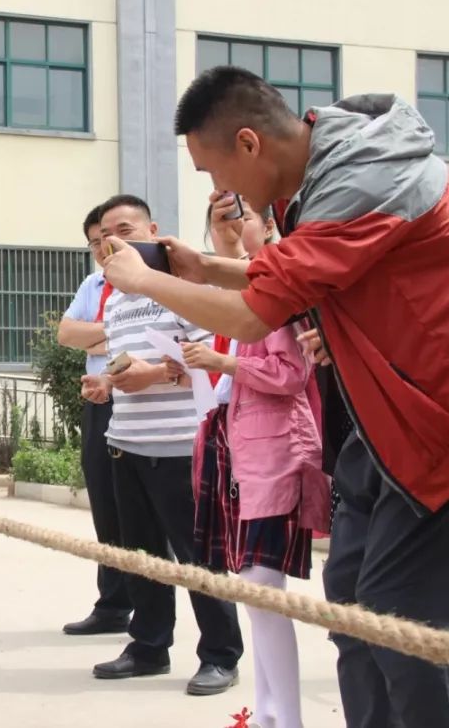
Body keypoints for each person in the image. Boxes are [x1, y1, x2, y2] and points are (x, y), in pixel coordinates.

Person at [100, 66, 449, 728]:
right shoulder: (325, 181)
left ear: (248, 143)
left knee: (395, 618)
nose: (219, 192)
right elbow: (289, 274)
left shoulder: (363, 183)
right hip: (385, 433)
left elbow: (254, 317)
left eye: (215, 173)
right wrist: (203, 267)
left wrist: (144, 283)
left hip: (436, 431)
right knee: (349, 602)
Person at [85, 195, 243, 695]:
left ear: (153, 230)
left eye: (125, 230)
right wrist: (106, 385)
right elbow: (127, 366)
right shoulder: (114, 300)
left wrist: (156, 373)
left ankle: (220, 654)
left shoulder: (180, 288)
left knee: (199, 558)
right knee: (140, 556)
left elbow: (211, 358)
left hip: (181, 447)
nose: (113, 243)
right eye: (101, 238)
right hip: (125, 445)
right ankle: (149, 646)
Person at [183, 197, 330, 728]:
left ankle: (284, 717)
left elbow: (290, 375)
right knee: (253, 588)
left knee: (264, 592)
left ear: (269, 227)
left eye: (238, 217)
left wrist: (222, 363)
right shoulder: (233, 295)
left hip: (271, 452)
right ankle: (267, 714)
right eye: (218, 222)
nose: (227, 229)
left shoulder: (278, 289)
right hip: (235, 448)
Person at [57, 203, 133, 636]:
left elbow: (151, 338)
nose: (103, 247)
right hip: (100, 400)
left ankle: (149, 604)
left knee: (140, 507)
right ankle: (113, 603)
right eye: (94, 241)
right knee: (104, 500)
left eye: (110, 235)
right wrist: (116, 326)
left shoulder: (154, 281)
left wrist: (100, 328)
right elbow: (67, 334)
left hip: (142, 398)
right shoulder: (93, 283)